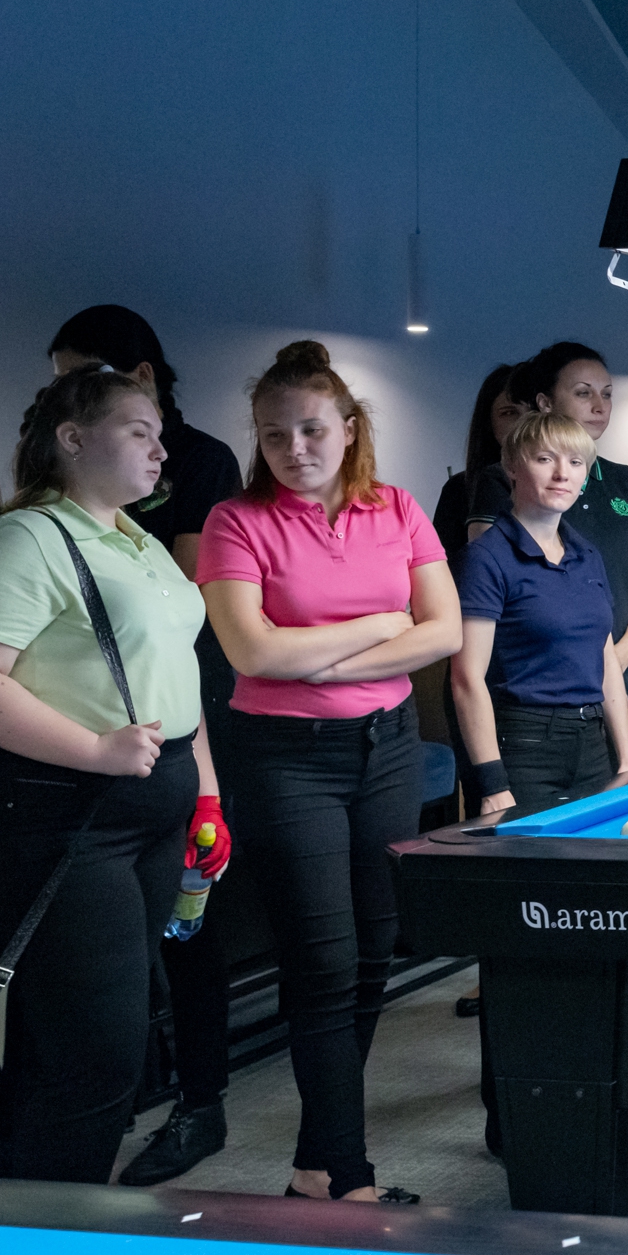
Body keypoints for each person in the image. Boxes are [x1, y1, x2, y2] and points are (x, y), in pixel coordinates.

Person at [0, 365, 230, 1183]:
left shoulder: (138, 540)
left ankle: (35, 1213)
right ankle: (67, 1232)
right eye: (139, 432)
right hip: (67, 819)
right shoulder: (22, 540)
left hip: (153, 810)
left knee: (83, 1039)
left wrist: (205, 793)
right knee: (97, 1054)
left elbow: (177, 677)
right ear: (72, 438)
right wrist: (96, 750)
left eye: (160, 435)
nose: (160, 450)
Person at [199, 341, 460, 1204]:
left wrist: (316, 658)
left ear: (348, 429)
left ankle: (316, 1163)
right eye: (274, 436)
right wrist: (381, 627)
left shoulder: (398, 508)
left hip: (388, 747)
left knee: (374, 952)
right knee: (323, 962)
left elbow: (443, 631)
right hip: (285, 761)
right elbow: (252, 652)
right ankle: (347, 1176)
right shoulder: (237, 522)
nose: (294, 449)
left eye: (311, 429)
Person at [43, 307, 243, 1187]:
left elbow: (180, 594)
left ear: (143, 379)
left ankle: (201, 1101)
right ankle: (101, 1103)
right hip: (100, 735)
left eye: (80, 376)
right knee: (107, 957)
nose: (62, 395)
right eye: (57, 383)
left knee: (190, 922)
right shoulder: (51, 514)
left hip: (183, 712)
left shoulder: (197, 460)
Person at [468, 343, 628, 764]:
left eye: (606, 394)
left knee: (625, 791)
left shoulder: (625, 481)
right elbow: (495, 587)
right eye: (582, 392)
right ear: (545, 402)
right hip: (538, 700)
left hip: (620, 680)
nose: (599, 405)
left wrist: (616, 659)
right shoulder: (505, 479)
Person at [452, 411, 628, 813]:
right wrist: (493, 783)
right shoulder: (485, 558)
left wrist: (626, 760)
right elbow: (467, 679)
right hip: (524, 747)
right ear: (512, 467)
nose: (562, 474)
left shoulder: (587, 554)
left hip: (592, 745)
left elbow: (604, 656)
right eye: (544, 459)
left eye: (575, 462)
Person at [432, 364, 527, 564]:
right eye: (509, 413)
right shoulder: (459, 489)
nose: (524, 423)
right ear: (489, 422)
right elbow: (446, 570)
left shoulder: (563, 484)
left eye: (533, 411)